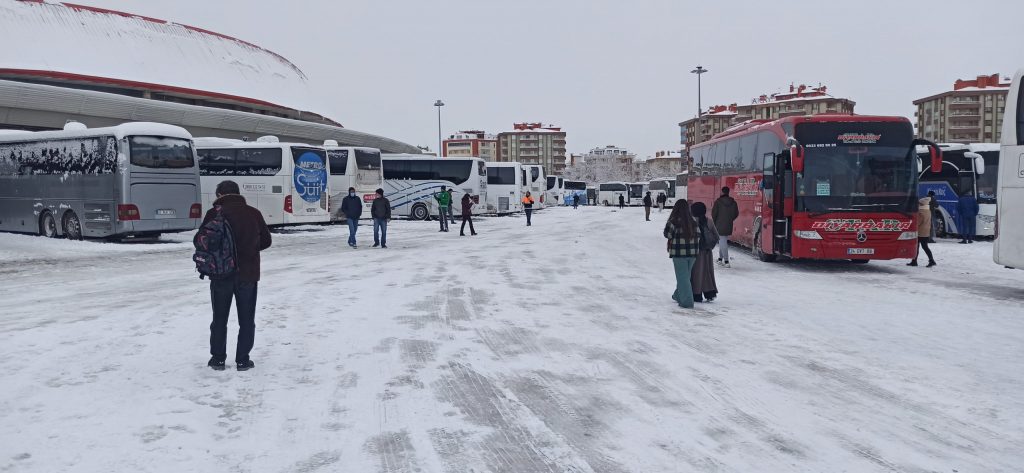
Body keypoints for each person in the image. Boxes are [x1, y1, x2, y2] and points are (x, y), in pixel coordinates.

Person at [203, 180, 272, 371]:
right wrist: (249, 249)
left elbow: (201, 241)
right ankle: (243, 360)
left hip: (220, 274)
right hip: (248, 274)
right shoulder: (253, 213)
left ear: (220, 195)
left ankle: (217, 359)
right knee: (247, 319)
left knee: (219, 318)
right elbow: (266, 241)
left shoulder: (214, 213)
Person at [663, 200, 700, 309]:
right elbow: (699, 235)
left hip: (679, 253)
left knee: (682, 277)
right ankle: (678, 295)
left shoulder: (673, 222)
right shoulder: (693, 221)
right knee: (685, 276)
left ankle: (687, 302)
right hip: (693, 253)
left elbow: (667, 234)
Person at [690, 201, 720, 303]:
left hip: (694, 252)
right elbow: (716, 237)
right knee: (707, 272)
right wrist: (709, 246)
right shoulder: (709, 221)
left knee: (695, 273)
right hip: (707, 252)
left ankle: (696, 294)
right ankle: (709, 292)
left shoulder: (691, 222)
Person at [711, 187, 739, 267]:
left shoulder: (718, 202)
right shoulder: (733, 202)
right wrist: (730, 219)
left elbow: (714, 214)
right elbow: (736, 213)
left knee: (723, 242)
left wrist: (716, 221)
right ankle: (720, 259)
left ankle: (726, 261)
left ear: (722, 192)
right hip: (729, 224)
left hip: (719, 224)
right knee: (722, 241)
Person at [908, 197, 936, 267]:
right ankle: (915, 261)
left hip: (920, 232)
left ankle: (929, 260)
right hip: (926, 232)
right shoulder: (928, 211)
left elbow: (918, 223)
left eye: (919, 203)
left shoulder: (921, 213)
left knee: (918, 247)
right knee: (924, 246)